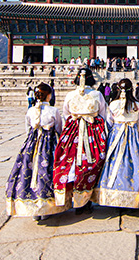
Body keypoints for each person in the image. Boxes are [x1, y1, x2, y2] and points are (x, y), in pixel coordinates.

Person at [4, 83, 68, 220]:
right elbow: (59, 128)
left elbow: (28, 129)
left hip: (32, 144)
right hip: (48, 144)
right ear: (49, 96)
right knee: (47, 173)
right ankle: (46, 208)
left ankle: (32, 208)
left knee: (28, 171)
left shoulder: (31, 110)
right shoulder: (53, 111)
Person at [53, 68, 109, 214]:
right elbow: (102, 114)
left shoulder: (70, 95)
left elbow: (66, 114)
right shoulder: (97, 94)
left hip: (73, 131)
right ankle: (86, 199)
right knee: (91, 163)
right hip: (93, 131)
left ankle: (73, 197)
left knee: (69, 163)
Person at [93, 79, 139, 208]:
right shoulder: (137, 105)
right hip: (132, 135)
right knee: (133, 163)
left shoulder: (113, 104)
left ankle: (112, 194)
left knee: (114, 162)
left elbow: (109, 122)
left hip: (116, 134)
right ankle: (132, 195)